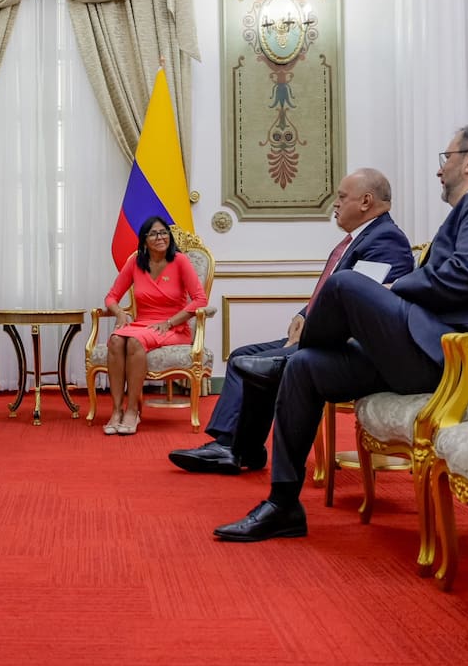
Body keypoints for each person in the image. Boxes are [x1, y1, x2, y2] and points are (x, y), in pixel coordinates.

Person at [214, 121, 468, 542]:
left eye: (446, 158)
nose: (440, 169)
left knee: (347, 285)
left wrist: (393, 289)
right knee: (306, 368)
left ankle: (282, 360)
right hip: (436, 348)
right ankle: (283, 505)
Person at [168, 169, 413, 474]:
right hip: (323, 336)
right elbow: (335, 293)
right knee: (243, 356)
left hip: (345, 348)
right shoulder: (362, 238)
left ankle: (235, 449)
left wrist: (313, 325)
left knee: (257, 365)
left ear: (366, 201)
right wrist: (303, 315)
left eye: (341, 197)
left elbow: (363, 304)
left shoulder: (386, 239)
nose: (335, 204)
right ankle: (237, 447)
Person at [102, 216, 209, 436]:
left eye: (163, 232)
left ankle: (132, 411)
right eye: (153, 234)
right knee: (115, 339)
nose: (160, 237)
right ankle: (116, 411)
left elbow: (200, 300)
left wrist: (171, 322)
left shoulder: (180, 261)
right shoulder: (135, 262)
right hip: (142, 323)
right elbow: (111, 297)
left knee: (134, 341)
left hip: (173, 328)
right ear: (144, 240)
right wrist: (120, 313)